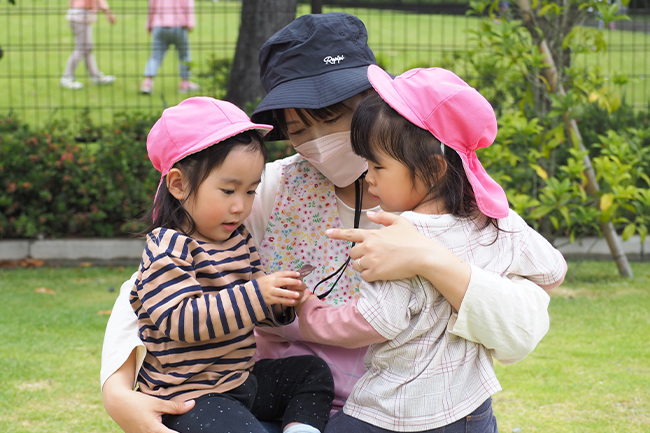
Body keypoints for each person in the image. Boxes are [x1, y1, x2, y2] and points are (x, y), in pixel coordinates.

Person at [101, 13, 554, 433]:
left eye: (333, 117)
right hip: (291, 404)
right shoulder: (264, 190)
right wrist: (119, 395)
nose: (317, 142)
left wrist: (434, 262)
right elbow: (152, 283)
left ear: (376, 105)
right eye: (297, 129)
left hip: (420, 411)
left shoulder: (451, 196)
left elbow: (523, 323)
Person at [295, 66, 568, 433]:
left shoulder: (397, 235)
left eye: (378, 165)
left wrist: (309, 311)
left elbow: (376, 320)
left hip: (395, 411)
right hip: (472, 411)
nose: (368, 177)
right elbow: (553, 272)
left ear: (433, 168)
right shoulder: (498, 222)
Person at [129, 96, 334, 433]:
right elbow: (181, 321)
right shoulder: (168, 248)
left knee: (312, 372)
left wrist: (280, 302)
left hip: (240, 379)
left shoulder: (238, 240)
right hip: (191, 395)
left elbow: (252, 308)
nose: (241, 206)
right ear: (179, 184)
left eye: (251, 191)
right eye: (228, 191)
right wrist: (257, 294)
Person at [140, 0, 200, 94]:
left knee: (155, 56)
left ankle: (147, 83)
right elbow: (188, 5)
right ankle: (184, 82)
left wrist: (149, 24)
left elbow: (152, 6)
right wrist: (190, 23)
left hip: (159, 25)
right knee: (184, 55)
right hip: (179, 25)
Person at [60, 0, 116, 90]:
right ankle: (67, 77)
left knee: (87, 48)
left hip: (78, 14)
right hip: (81, 15)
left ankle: (95, 75)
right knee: (82, 48)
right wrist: (107, 12)